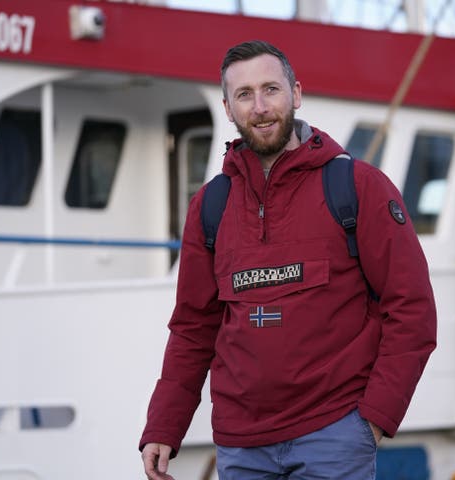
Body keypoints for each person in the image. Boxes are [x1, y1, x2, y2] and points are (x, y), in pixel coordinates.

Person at [140, 39, 437, 480]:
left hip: (334, 436)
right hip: (241, 448)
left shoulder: (358, 188)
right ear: (228, 107)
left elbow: (411, 308)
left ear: (295, 94)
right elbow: (192, 326)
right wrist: (164, 425)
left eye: (271, 90)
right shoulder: (210, 206)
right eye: (244, 95)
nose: (260, 107)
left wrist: (372, 421)